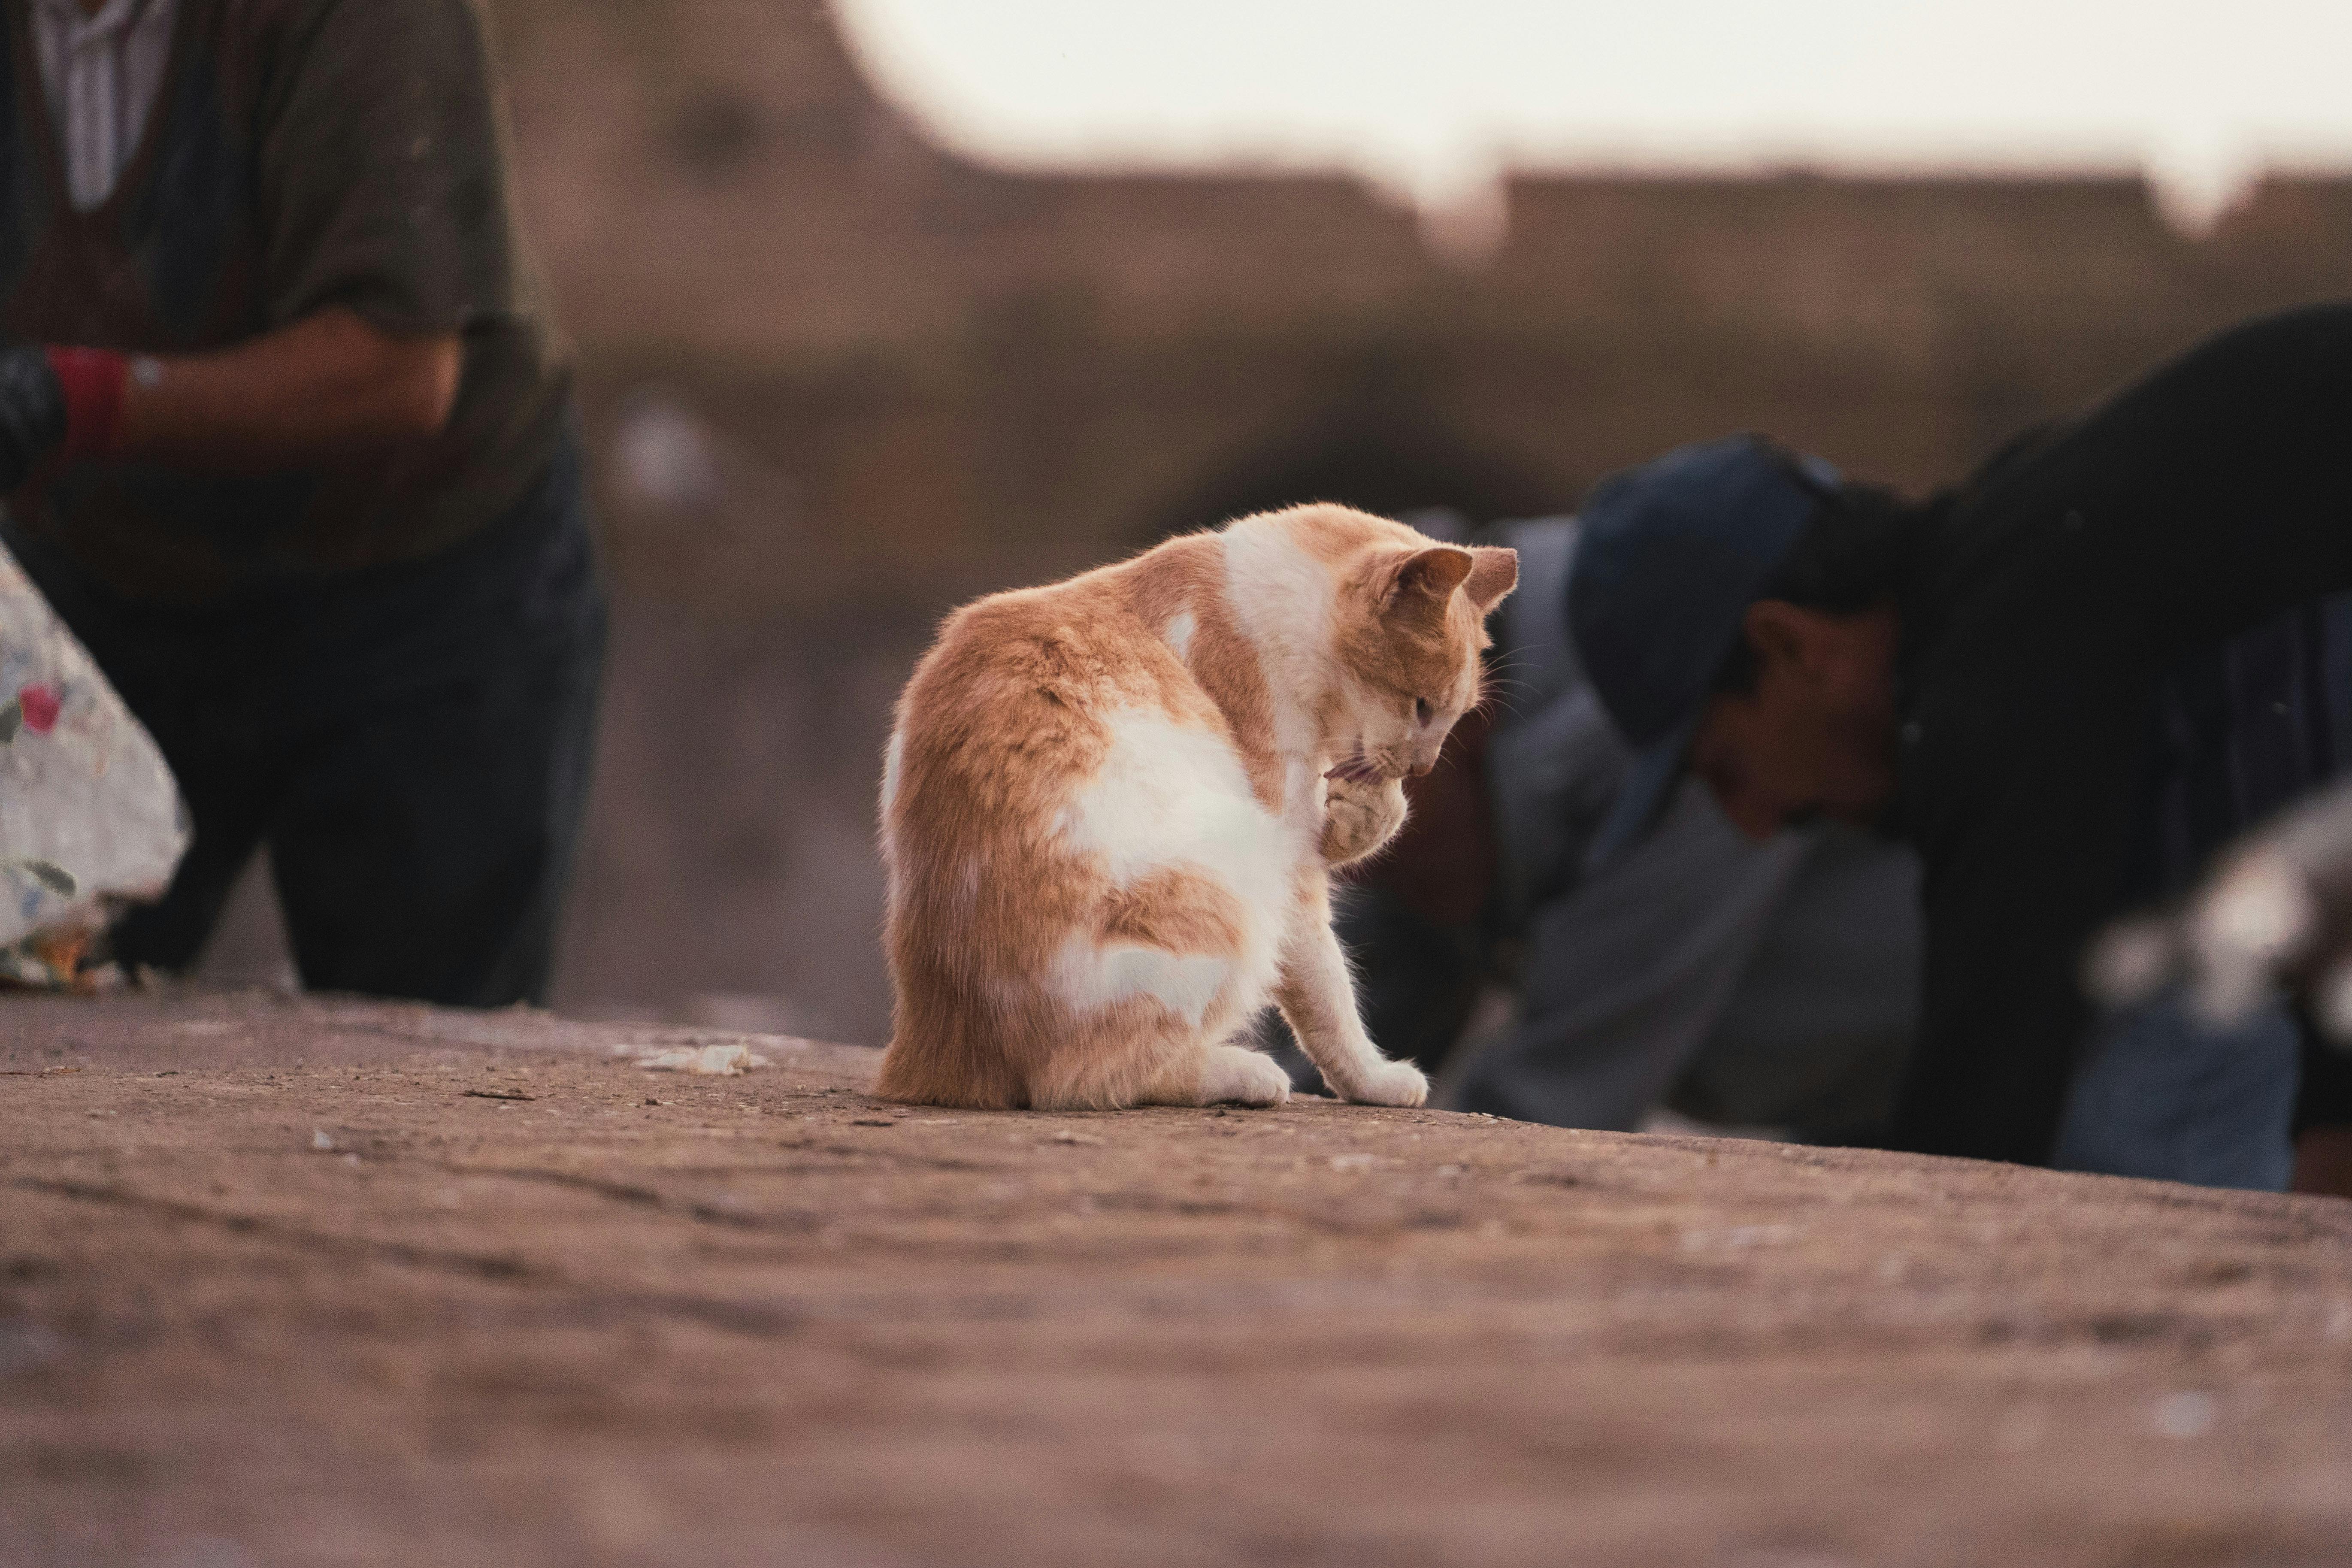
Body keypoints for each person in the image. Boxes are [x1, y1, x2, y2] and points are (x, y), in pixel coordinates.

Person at [1568, 304, 2352, 1193]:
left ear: (1792, 648)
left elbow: (1977, 1136)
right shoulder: (2020, 564)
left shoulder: (1991, 675)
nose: (1754, 826)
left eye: (1727, 771)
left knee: (2128, 1141)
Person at [0, 0, 601, 1006]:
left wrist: (76, 400)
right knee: (36, 991)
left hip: (418, 587)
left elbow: (396, 370)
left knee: (427, 1060)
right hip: (107, 570)